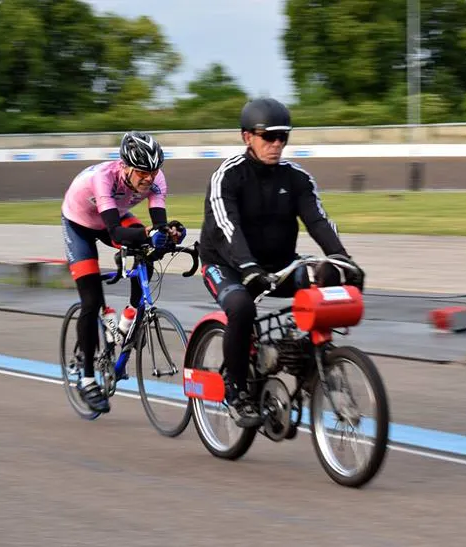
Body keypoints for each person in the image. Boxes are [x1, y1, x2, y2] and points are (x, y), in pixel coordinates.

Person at [198, 97, 365, 427]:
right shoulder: (227, 177)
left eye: (283, 137)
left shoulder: (297, 178)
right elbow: (227, 227)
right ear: (247, 137)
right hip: (228, 264)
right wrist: (247, 267)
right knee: (242, 307)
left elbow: (318, 221)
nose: (276, 144)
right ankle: (235, 391)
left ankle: (310, 356)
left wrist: (343, 260)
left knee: (329, 275)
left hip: (279, 264)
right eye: (268, 136)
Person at [61, 131, 187, 414]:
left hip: (112, 216)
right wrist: (149, 234)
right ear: (125, 166)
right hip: (79, 224)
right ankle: (87, 378)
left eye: (153, 172)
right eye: (142, 172)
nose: (148, 179)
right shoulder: (103, 178)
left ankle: (128, 319)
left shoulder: (156, 180)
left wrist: (169, 234)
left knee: (149, 252)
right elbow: (116, 231)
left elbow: (158, 226)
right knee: (91, 301)